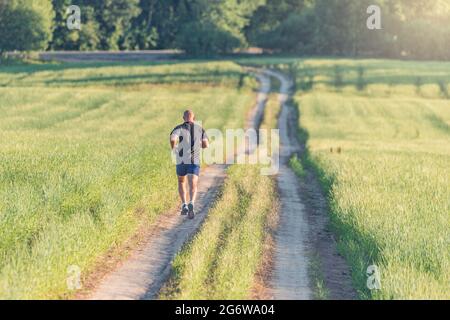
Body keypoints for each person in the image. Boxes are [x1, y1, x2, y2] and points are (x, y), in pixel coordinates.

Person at [170, 110, 209, 219]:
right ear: (194, 118)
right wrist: (199, 145)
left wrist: (174, 148)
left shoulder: (179, 128)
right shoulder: (200, 129)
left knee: (181, 181)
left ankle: (184, 204)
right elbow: (206, 144)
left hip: (181, 160)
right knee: (193, 184)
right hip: (194, 160)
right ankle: (191, 202)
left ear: (183, 118)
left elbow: (173, 138)